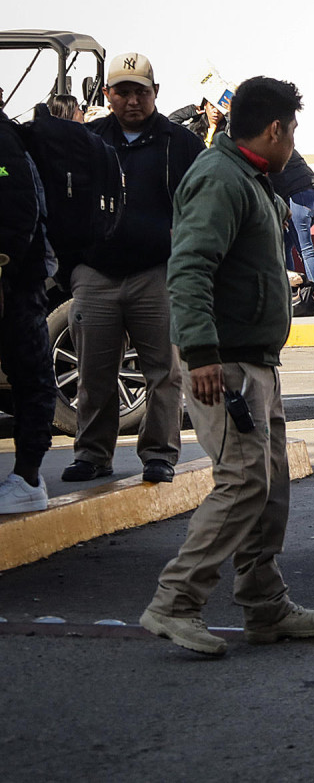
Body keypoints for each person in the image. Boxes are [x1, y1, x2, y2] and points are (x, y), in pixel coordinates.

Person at [141, 76, 314, 657]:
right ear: (275, 128)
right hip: (222, 365)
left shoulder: (250, 177)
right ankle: (176, 602)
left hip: (253, 361)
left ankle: (263, 604)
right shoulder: (220, 178)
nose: (294, 140)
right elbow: (190, 268)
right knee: (244, 479)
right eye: (293, 129)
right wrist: (202, 356)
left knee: (269, 484)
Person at [66, 52, 204, 485]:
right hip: (96, 274)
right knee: (94, 374)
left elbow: (201, 207)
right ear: (107, 94)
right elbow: (65, 204)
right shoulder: (87, 141)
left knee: (163, 372)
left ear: (155, 94)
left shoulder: (180, 143)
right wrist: (74, 266)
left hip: (156, 274)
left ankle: (160, 455)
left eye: (139, 92)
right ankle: (92, 454)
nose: (130, 100)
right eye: (122, 91)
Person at [0, 115, 56, 513]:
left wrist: (1, 269)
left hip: (15, 282)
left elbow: (18, 206)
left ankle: (27, 477)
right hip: (15, 279)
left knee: (29, 375)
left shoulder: (4, 141)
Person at [270, 150, 314, 284]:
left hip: (298, 198)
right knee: (286, 244)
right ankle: (291, 289)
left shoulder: (265, 149)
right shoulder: (283, 145)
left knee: (305, 250)